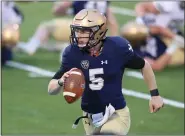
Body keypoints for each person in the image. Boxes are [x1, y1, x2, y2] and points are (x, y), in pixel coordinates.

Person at [48, 9, 164, 135]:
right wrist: (60, 82)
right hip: (89, 117)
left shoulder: (117, 47)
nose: (79, 35)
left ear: (99, 31)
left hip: (116, 113)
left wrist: (155, 95)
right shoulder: (72, 53)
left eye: (84, 31)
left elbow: (144, 65)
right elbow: (51, 89)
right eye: (77, 30)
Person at [17, 1, 118, 55]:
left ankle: (31, 46)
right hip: (97, 34)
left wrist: (59, 6)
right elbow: (111, 21)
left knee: (46, 26)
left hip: (81, 31)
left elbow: (57, 11)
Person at [1, 1, 23, 66]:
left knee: (10, 33)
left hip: (4, 35)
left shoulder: (9, 5)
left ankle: (6, 49)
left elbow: (20, 17)